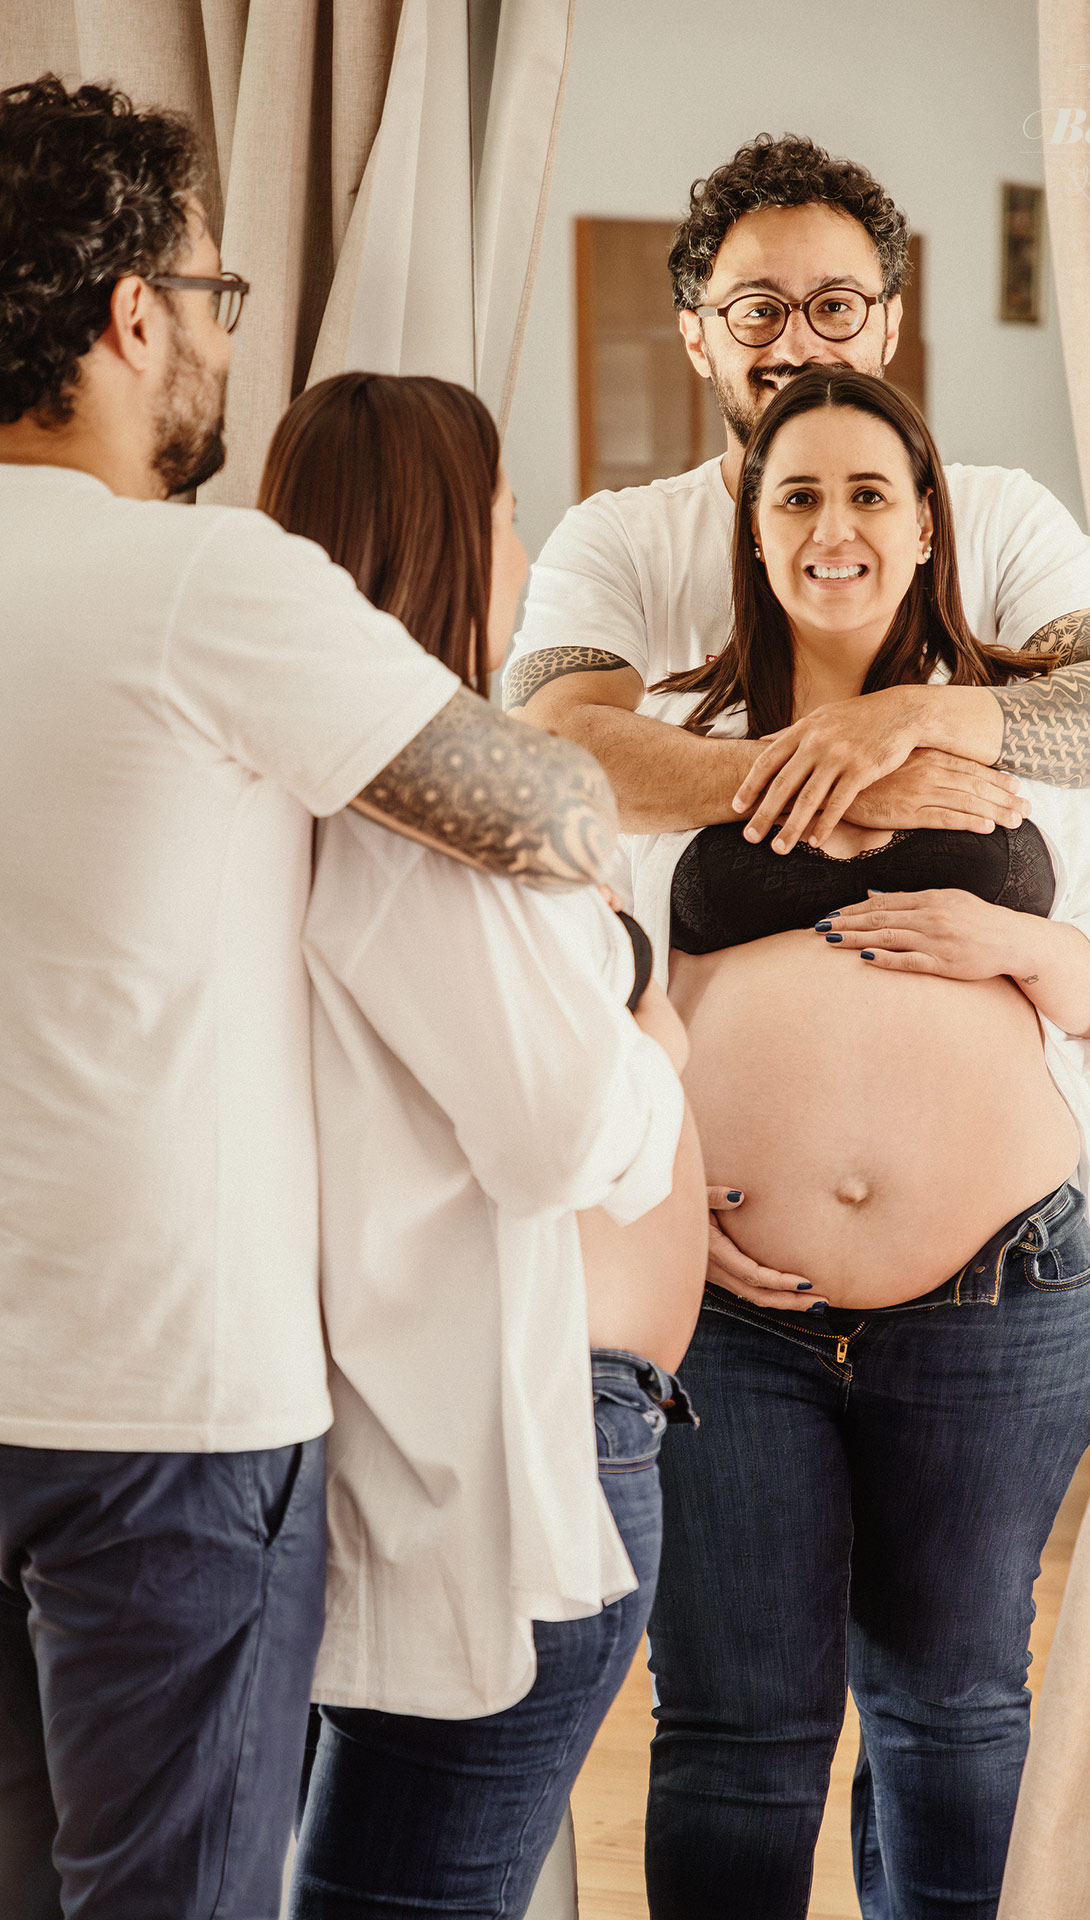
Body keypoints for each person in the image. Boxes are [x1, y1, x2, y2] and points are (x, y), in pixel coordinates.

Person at [0, 77, 615, 1919]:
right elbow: (549, 808)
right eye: (213, 297)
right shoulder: (202, 586)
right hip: (160, 1405)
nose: (215, 340)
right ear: (130, 314)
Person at [625, 367, 1090, 1920]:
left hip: (996, 1298)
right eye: (796, 495)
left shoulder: (1032, 737)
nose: (835, 527)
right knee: (737, 1730)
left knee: (956, 1714)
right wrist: (668, 1184)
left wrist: (1010, 941)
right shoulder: (680, 744)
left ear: (927, 528)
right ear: (753, 529)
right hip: (732, 1316)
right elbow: (603, 991)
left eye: (871, 493)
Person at [249, 371, 707, 1919]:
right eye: (510, 510)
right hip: (509, 1449)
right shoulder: (428, 821)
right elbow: (568, 1134)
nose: (523, 542)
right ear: (457, 534)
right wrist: (658, 1037)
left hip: (478, 1423)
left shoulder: (288, 790)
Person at [505, 131, 1090, 872]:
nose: (798, 344)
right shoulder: (618, 539)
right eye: (756, 309)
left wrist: (900, 720)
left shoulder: (1006, 516)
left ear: (889, 323)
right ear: (697, 338)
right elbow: (546, 757)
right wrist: (844, 781)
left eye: (835, 305)